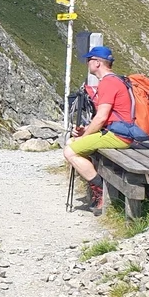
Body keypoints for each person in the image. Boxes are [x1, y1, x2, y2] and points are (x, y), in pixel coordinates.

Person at [62, 46, 138, 215]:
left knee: (69, 151)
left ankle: (100, 190)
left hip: (118, 136)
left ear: (97, 63)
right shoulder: (115, 80)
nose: (87, 63)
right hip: (117, 132)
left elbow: (101, 117)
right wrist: (85, 133)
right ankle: (97, 185)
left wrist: (85, 137)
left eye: (89, 60)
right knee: (72, 142)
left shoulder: (108, 83)